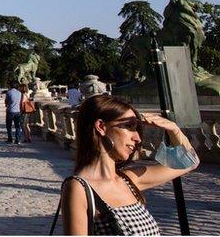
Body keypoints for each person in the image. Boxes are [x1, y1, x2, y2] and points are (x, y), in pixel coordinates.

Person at [55, 94, 198, 235]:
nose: (137, 138)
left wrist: (174, 129)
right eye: (129, 126)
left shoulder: (129, 179)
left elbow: (189, 162)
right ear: (101, 127)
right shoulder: (78, 188)